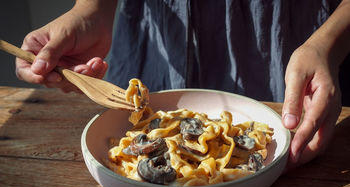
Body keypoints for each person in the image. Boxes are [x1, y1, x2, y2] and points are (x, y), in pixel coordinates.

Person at [15, 0, 350, 168]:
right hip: (155, 36)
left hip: (289, 35)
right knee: (141, 128)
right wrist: (93, 7)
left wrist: (329, 45)